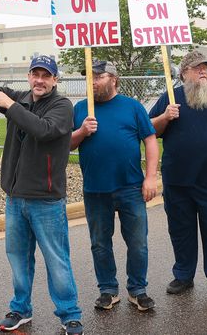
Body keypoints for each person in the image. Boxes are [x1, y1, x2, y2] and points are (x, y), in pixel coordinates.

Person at [0, 29, 84, 335]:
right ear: (29, 76)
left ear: (55, 80)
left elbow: (44, 130)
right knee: (19, 259)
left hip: (47, 199)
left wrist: (11, 107)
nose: (39, 80)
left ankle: (69, 314)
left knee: (56, 260)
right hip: (15, 198)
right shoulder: (20, 98)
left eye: (46, 76)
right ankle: (20, 308)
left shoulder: (62, 106)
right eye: (35, 74)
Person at [148, 50, 207, 301]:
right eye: (196, 67)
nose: (203, 71)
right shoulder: (170, 98)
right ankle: (183, 276)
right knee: (181, 232)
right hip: (178, 181)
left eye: (205, 67)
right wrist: (165, 117)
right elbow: (150, 131)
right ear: (183, 74)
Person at [70, 60, 159, 312]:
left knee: (138, 243)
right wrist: (82, 131)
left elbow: (150, 141)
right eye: (89, 77)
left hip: (131, 187)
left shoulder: (132, 107)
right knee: (100, 243)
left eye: (98, 76)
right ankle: (108, 290)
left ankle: (138, 290)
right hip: (95, 189)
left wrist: (150, 177)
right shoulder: (80, 109)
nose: (93, 81)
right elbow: (67, 144)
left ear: (114, 79)